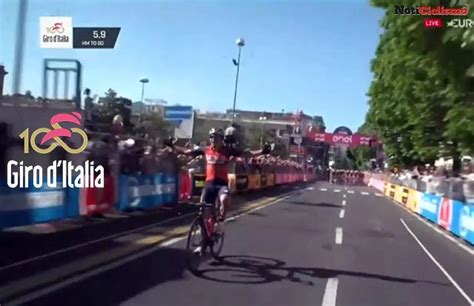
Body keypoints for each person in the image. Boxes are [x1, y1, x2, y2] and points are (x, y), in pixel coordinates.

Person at [166, 128, 271, 253]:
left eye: (215, 137)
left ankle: (221, 223)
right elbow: (187, 152)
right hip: (209, 185)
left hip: (221, 184)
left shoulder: (227, 151)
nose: (212, 140)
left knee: (225, 199)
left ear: (222, 139)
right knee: (203, 213)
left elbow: (246, 153)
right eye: (211, 137)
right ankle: (204, 242)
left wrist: (261, 151)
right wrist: (172, 145)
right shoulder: (205, 150)